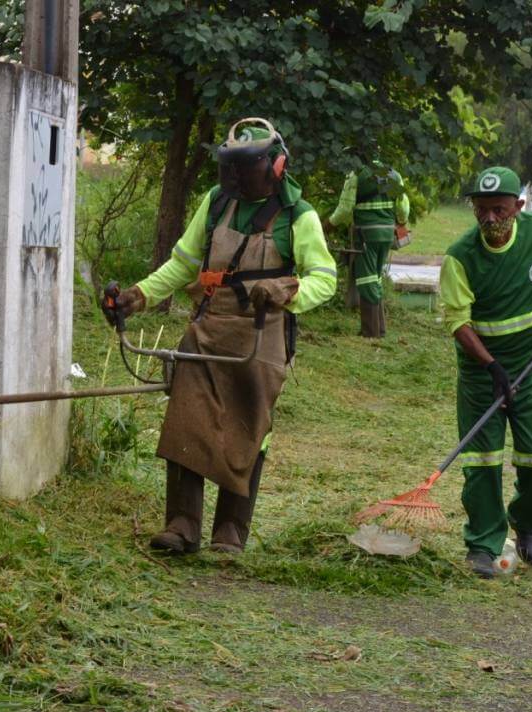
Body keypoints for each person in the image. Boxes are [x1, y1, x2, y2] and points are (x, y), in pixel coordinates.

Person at [101, 118, 336, 554]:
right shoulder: (215, 203)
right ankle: (182, 524)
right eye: (230, 169)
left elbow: (325, 278)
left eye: (244, 169)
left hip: (262, 334)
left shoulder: (298, 216)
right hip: (209, 326)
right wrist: (141, 295)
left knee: (250, 426)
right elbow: (184, 263)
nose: (235, 179)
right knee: (186, 416)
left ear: (275, 166)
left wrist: (287, 290)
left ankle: (230, 530)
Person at [438, 166, 532, 579]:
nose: (489, 218)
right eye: (481, 210)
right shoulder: (460, 257)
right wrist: (491, 366)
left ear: (518, 207)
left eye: (499, 209)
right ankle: (483, 545)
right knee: (482, 460)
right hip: (480, 372)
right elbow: (459, 324)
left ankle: (526, 523)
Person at [328, 156, 410, 337]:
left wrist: (327, 225)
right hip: (387, 234)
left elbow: (344, 209)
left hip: (366, 234)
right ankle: (380, 329)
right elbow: (403, 208)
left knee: (366, 280)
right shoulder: (392, 175)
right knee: (376, 278)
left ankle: (370, 332)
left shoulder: (356, 174)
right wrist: (401, 223)